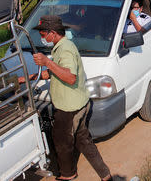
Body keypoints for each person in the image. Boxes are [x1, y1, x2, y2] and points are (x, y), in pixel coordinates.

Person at [20, 15, 113, 181]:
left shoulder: (66, 49)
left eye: (43, 34)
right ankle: (105, 175)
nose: (42, 37)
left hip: (69, 107)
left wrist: (46, 62)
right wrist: (30, 77)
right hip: (78, 102)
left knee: (62, 142)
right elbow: (54, 73)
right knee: (83, 140)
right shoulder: (60, 47)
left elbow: (70, 77)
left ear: (53, 33)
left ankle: (68, 175)